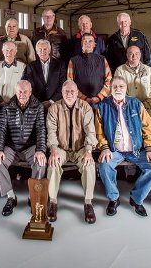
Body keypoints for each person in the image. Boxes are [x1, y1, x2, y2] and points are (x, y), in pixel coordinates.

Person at [95, 76, 151, 217]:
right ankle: (114, 198)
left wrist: (149, 149)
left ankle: (136, 199)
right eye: (115, 87)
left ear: (126, 89)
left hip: (136, 149)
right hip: (115, 150)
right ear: (110, 89)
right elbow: (99, 132)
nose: (118, 89)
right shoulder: (102, 106)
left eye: (121, 86)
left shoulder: (136, 104)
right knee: (104, 166)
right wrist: (105, 147)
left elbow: (148, 128)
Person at [0, 80, 47, 217]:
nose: (22, 94)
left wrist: (40, 149)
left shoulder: (38, 107)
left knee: (40, 162)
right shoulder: (6, 107)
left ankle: (33, 196)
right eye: (19, 92)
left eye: (25, 92)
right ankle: (11, 197)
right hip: (12, 147)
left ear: (30, 92)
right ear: (15, 92)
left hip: (30, 147)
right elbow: (0, 129)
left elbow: (41, 129)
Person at [46, 80, 98, 224]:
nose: (69, 94)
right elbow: (51, 132)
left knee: (89, 164)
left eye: (72, 91)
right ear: (62, 93)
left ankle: (88, 203)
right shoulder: (54, 108)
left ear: (77, 93)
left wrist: (88, 150)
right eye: (66, 91)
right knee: (53, 163)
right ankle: (52, 201)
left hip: (81, 148)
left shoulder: (85, 107)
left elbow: (90, 131)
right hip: (61, 149)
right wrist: (54, 149)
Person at [114, 46, 151, 119]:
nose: (134, 56)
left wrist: (146, 104)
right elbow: (117, 90)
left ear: (140, 54)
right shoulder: (120, 70)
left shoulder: (149, 70)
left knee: (147, 130)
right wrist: (131, 104)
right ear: (126, 55)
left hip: (147, 110)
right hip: (128, 110)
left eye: (137, 53)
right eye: (131, 53)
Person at [67, 33, 111, 108]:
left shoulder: (103, 60)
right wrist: (84, 98)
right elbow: (70, 83)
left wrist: (99, 97)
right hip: (80, 103)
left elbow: (109, 79)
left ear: (94, 44)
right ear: (81, 44)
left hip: (100, 102)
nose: (88, 43)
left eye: (90, 41)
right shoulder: (73, 61)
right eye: (85, 41)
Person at [22, 39, 66, 109]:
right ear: (37, 52)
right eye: (40, 49)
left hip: (56, 104)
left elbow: (63, 85)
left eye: (45, 49)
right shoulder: (30, 67)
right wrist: (37, 102)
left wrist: (51, 101)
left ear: (49, 50)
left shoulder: (60, 65)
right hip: (36, 105)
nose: (43, 51)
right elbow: (28, 86)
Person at [0, 41, 26, 105]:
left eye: (12, 50)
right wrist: (1, 102)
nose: (9, 53)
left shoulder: (23, 67)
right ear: (3, 51)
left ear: (16, 51)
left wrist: (12, 102)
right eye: (6, 50)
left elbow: (24, 88)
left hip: (17, 105)